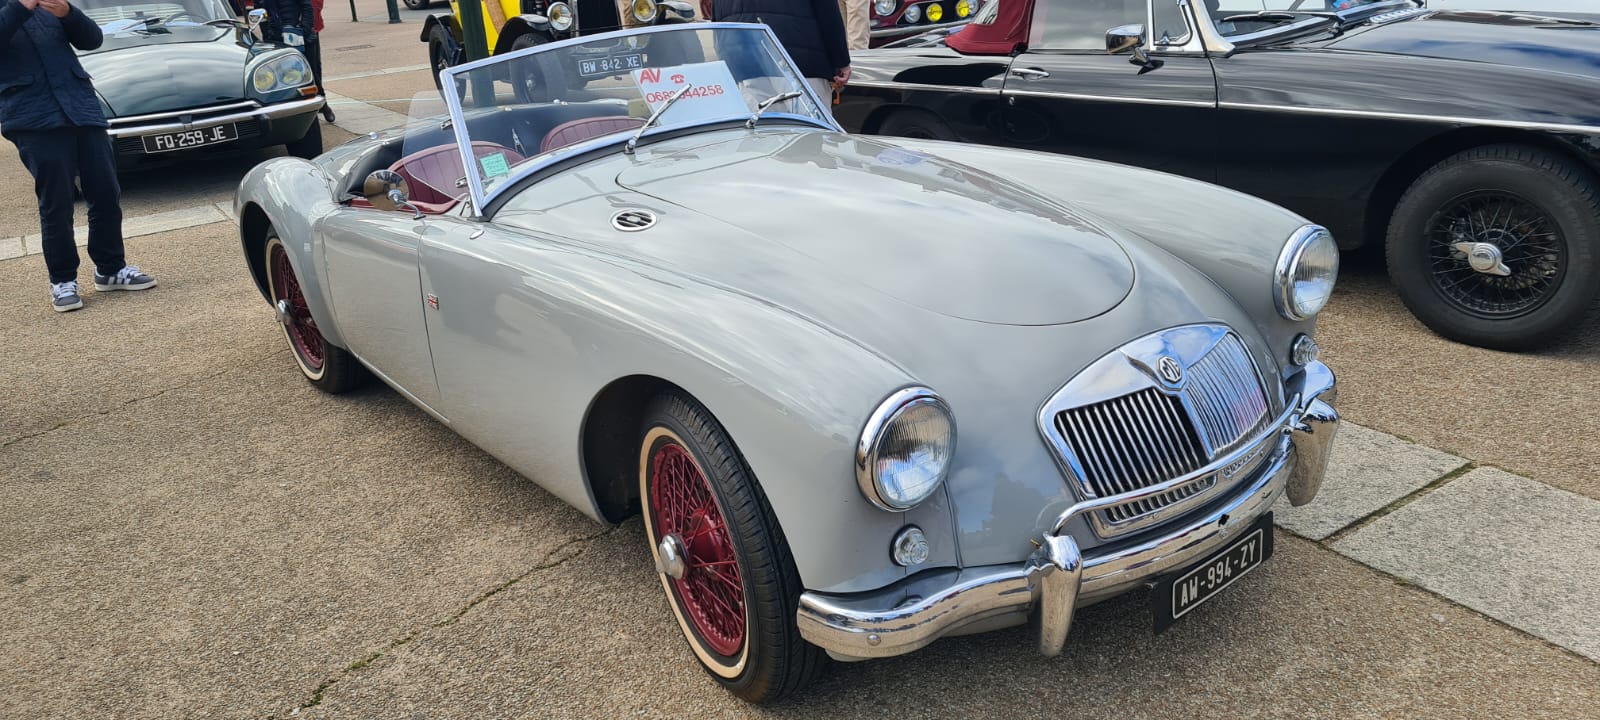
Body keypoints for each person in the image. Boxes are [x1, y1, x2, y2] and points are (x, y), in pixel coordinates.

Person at [0, 0, 156, 312]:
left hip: (81, 108)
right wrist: (20, 7)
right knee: (57, 202)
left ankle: (111, 269)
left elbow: (92, 39)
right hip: (32, 117)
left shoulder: (50, 6)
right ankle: (62, 280)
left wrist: (69, 14)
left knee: (106, 192)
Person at [712, 0, 851, 114]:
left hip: (743, 60)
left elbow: (718, 16)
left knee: (765, 132)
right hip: (798, 61)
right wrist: (841, 60)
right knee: (812, 131)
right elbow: (828, 13)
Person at [309, 0, 331, 122]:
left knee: (315, 65)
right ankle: (320, 101)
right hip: (284, 25)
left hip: (309, 24)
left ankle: (321, 100)